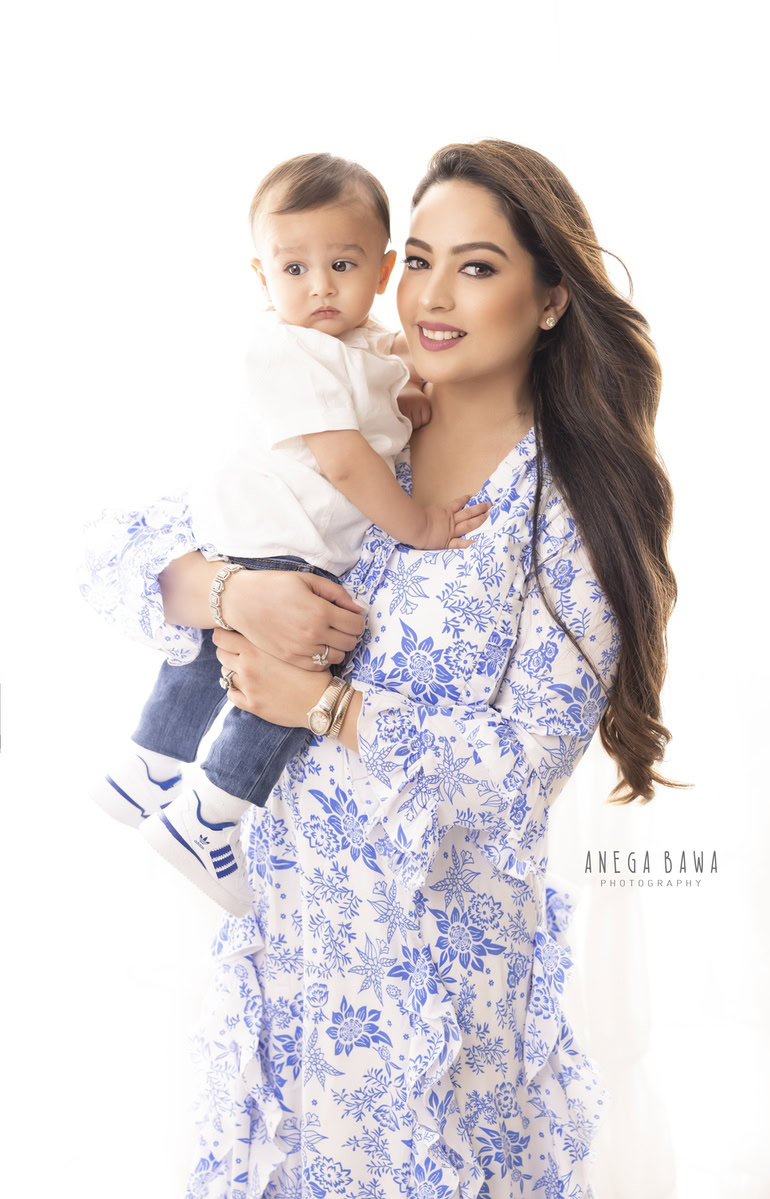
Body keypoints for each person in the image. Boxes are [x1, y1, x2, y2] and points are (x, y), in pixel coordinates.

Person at [80, 138, 680, 1198]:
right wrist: (230, 592)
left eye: (478, 265)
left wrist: (323, 702)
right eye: (417, 257)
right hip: (290, 963)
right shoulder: (353, 431)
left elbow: (512, 773)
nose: (431, 295)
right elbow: (107, 553)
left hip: (435, 1001)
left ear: (548, 298)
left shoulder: (565, 519)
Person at [89, 152, 488, 917]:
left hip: (261, 541)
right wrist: (422, 524)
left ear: (380, 269)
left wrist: (414, 400)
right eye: (294, 266)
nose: (319, 287)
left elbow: (388, 405)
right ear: (260, 275)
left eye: (341, 264)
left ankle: (147, 767)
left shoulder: (361, 345)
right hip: (280, 542)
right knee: (310, 648)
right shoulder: (288, 346)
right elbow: (344, 460)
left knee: (213, 650)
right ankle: (211, 811)